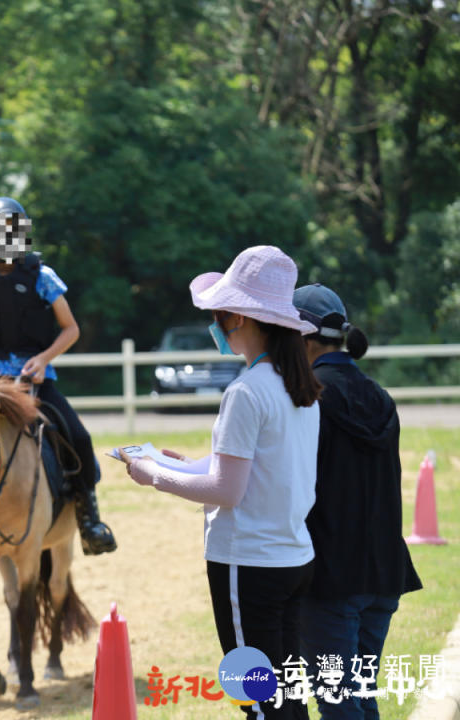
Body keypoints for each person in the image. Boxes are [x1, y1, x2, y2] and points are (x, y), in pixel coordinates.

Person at [124, 245, 321, 720]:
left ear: (237, 317)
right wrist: (187, 464)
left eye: (218, 314)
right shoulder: (299, 388)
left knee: (255, 699)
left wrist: (155, 476)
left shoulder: (246, 391)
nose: (214, 324)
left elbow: (227, 491)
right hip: (293, 557)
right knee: (289, 697)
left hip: (246, 564)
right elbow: (247, 469)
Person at [0, 196, 117, 563]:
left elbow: (70, 329)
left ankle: (89, 519)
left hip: (34, 379)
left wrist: (44, 359)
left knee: (78, 435)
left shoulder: (44, 278)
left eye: (11, 231)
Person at [292, 283, 421, 719]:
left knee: (337, 702)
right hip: (383, 574)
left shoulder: (309, 398)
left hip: (331, 580)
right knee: (359, 698)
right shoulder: (381, 397)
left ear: (302, 339)